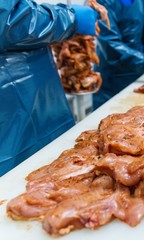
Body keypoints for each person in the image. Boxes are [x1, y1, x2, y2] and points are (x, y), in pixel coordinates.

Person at [0, 0, 99, 176]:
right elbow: (10, 20)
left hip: (32, 99)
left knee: (56, 174)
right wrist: (69, 18)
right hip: (11, 112)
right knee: (18, 183)